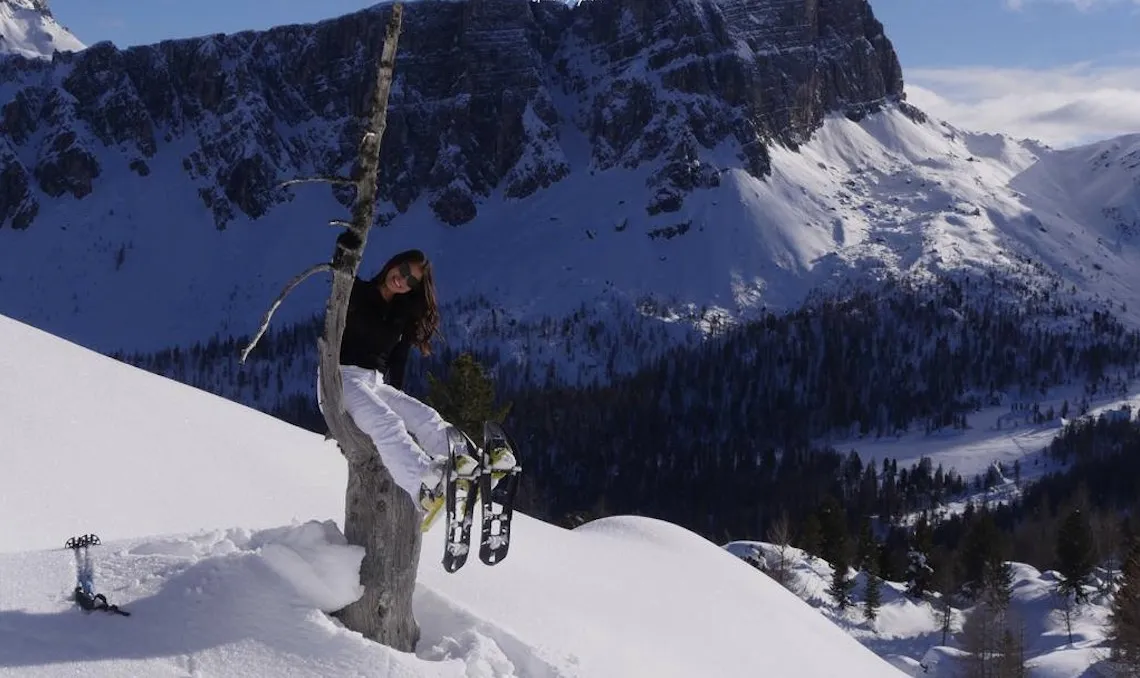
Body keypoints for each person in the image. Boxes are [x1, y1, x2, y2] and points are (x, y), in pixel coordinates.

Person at [330, 248, 513, 523]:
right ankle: (424, 488)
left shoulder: (401, 313)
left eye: (411, 281)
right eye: (403, 270)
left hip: (373, 382)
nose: (402, 279)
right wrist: (347, 246)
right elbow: (339, 272)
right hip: (339, 377)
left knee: (424, 416)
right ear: (393, 263)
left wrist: (398, 400)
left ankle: (470, 465)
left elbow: (397, 363)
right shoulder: (357, 291)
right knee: (387, 423)